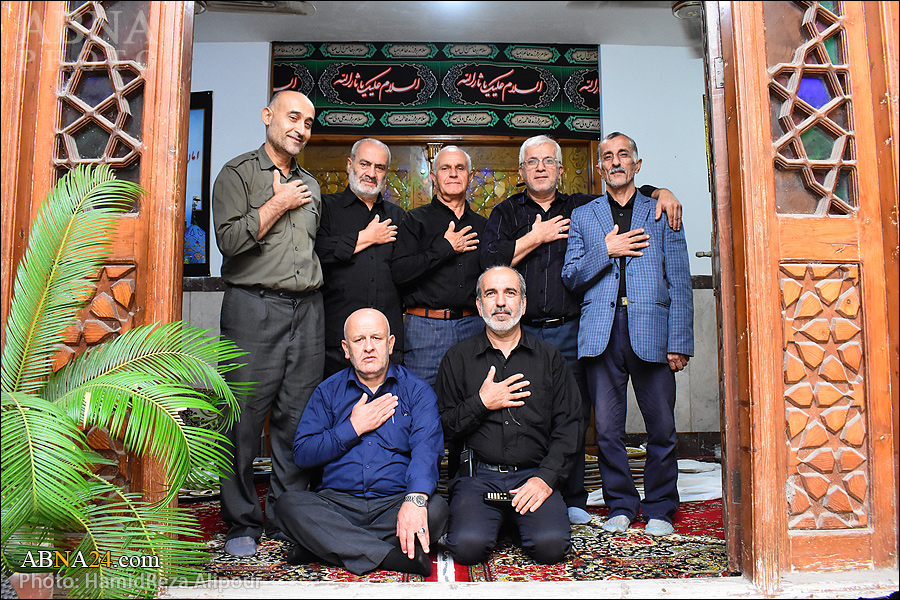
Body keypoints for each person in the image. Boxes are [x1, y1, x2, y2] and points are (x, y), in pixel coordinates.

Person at [482, 134, 683, 525]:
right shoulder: (520, 213)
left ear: (561, 170)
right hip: (534, 333)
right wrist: (544, 239)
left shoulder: (593, 207)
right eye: (532, 161)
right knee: (560, 422)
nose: (541, 167)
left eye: (548, 161)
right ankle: (586, 501)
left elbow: (675, 274)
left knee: (592, 418)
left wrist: (664, 191)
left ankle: (627, 504)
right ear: (521, 171)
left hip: (590, 330)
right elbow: (499, 264)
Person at [561, 132, 693, 537]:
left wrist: (680, 342)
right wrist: (607, 250)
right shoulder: (585, 216)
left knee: (662, 428)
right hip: (601, 333)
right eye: (607, 157)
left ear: (637, 164)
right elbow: (571, 276)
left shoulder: (661, 210)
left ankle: (660, 507)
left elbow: (680, 281)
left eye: (623, 155)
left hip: (652, 331)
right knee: (606, 431)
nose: (615, 162)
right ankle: (620, 503)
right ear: (600, 168)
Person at [212, 90, 325, 557]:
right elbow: (228, 241)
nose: (301, 129)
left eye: (309, 123)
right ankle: (241, 520)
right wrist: (277, 204)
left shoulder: (312, 185)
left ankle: (285, 514)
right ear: (267, 117)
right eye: (293, 117)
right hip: (252, 307)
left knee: (297, 420)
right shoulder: (237, 174)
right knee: (240, 419)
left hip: (308, 311)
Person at [278, 308, 448, 576]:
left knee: (436, 510)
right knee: (288, 505)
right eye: (359, 340)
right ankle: (390, 556)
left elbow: (427, 450)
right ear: (346, 349)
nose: (368, 347)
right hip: (338, 504)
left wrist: (413, 499)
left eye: (376, 338)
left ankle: (325, 545)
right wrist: (352, 428)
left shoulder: (417, 392)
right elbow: (303, 453)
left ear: (390, 344)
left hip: (394, 503)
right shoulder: (327, 391)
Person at [436, 266, 582, 565]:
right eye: (491, 294)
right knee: (467, 548)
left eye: (510, 293)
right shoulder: (457, 358)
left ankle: (514, 522)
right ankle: (499, 521)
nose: (500, 302)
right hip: (478, 479)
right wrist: (481, 403)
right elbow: (442, 426)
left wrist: (546, 478)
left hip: (533, 474)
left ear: (523, 304)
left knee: (551, 547)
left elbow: (570, 426)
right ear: (479, 305)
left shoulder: (550, 358)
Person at [391, 145, 486, 388]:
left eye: (460, 168)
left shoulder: (484, 225)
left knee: (473, 397)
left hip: (473, 325)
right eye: (445, 168)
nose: (453, 173)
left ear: (470, 176)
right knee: (421, 400)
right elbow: (400, 273)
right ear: (433, 177)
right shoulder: (414, 220)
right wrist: (445, 248)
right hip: (426, 328)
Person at [315, 138, 406, 378]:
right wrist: (365, 237)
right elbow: (315, 252)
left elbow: (408, 270)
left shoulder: (398, 216)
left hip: (387, 343)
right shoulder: (325, 208)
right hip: (336, 341)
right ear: (349, 164)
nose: (371, 173)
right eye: (365, 164)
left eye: (379, 167)